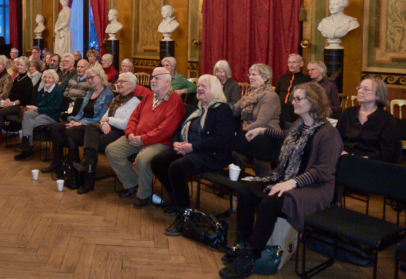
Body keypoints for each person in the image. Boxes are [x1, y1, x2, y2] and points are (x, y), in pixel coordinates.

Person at [219, 83, 342, 279]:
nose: (293, 102)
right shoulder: (299, 124)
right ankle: (243, 243)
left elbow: (322, 171)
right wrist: (263, 130)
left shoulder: (328, 133)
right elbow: (286, 136)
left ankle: (251, 254)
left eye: (298, 98)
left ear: (313, 101)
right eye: (294, 98)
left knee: (271, 201)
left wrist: (291, 183)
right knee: (246, 190)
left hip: (313, 188)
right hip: (287, 178)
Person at [151, 74, 236, 235]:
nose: (199, 89)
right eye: (198, 86)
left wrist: (192, 147)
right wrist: (176, 142)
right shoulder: (196, 108)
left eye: (204, 86)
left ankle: (184, 215)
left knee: (177, 168)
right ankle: (175, 198)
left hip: (212, 154)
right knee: (157, 161)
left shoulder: (222, 110)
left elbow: (219, 140)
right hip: (189, 148)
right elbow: (179, 129)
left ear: (215, 90)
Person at [106, 67, 186, 208]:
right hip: (137, 137)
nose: (152, 81)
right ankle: (132, 184)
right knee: (112, 150)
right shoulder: (149, 96)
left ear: (167, 82)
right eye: (152, 77)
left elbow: (165, 130)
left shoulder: (175, 101)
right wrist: (130, 133)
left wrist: (143, 139)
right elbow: (134, 117)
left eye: (157, 78)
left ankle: (144, 195)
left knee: (142, 160)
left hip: (160, 142)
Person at [72, 72, 142, 194]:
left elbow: (125, 124)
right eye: (118, 81)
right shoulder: (116, 99)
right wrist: (104, 123)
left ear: (131, 85)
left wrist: (108, 120)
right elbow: (103, 117)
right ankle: (87, 169)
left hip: (121, 132)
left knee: (92, 144)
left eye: (122, 82)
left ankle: (87, 176)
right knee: (91, 128)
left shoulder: (134, 102)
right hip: (109, 128)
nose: (118, 84)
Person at [41, 67, 114, 175]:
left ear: (100, 77)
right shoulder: (90, 93)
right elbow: (80, 113)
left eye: (92, 77)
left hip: (92, 126)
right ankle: (57, 162)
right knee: (55, 128)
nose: (89, 80)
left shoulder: (108, 94)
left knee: (71, 132)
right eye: (88, 78)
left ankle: (73, 167)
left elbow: (101, 118)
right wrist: (73, 121)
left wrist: (80, 123)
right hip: (80, 122)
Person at [233, 63, 281, 176]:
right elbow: (234, 110)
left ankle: (265, 184)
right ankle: (238, 182)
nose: (250, 77)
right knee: (236, 154)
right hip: (249, 134)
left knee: (259, 160)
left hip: (266, 136)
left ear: (265, 78)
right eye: (249, 74)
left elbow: (261, 122)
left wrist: (240, 134)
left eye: (254, 74)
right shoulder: (250, 94)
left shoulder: (271, 96)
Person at [336, 77, 399, 163]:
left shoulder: (387, 119)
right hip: (344, 159)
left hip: (371, 163)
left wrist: (365, 159)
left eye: (366, 89)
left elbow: (387, 151)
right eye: (359, 88)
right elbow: (336, 139)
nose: (360, 91)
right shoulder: (348, 113)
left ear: (378, 95)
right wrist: (341, 152)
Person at [0, 56, 35, 147]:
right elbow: (11, 93)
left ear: (26, 67)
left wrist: (12, 103)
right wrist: (7, 100)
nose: (19, 67)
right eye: (18, 64)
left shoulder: (28, 81)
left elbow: (25, 98)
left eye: (21, 65)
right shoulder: (17, 79)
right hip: (11, 103)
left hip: (20, 106)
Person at [16, 70, 64, 160]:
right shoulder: (43, 89)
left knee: (28, 123)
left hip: (52, 116)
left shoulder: (57, 92)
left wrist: (36, 109)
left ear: (54, 79)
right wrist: (34, 108)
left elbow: (52, 109)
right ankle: (27, 145)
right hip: (41, 112)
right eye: (45, 77)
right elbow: (39, 103)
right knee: (27, 114)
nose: (47, 79)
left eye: (49, 77)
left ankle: (27, 148)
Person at [274, 54, 311, 126]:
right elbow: (276, 95)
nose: (291, 65)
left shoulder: (307, 79)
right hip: (280, 114)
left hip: (295, 116)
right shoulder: (282, 78)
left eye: (294, 62)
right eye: (289, 62)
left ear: (301, 64)